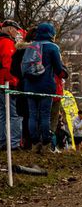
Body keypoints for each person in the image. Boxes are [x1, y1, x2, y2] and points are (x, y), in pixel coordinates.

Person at [22, 22, 64, 154]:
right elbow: (58, 69)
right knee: (45, 115)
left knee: (32, 115)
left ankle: (35, 141)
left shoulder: (30, 46)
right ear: (51, 33)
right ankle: (46, 142)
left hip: (30, 85)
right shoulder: (53, 47)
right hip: (46, 85)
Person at [0, 20, 23, 151]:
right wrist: (14, 82)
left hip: (2, 83)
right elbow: (9, 65)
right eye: (16, 30)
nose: (18, 32)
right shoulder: (7, 43)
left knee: (2, 113)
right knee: (15, 114)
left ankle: (2, 141)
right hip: (7, 83)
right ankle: (14, 143)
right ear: (10, 29)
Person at [9, 26, 34, 150]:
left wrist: (21, 76)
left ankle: (25, 140)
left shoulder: (19, 50)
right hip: (35, 85)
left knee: (24, 114)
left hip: (22, 85)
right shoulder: (38, 49)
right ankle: (33, 141)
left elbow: (13, 68)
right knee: (35, 113)